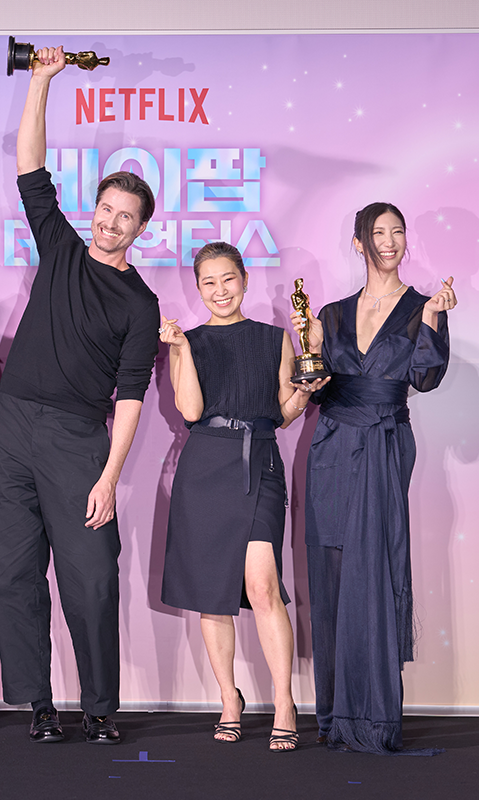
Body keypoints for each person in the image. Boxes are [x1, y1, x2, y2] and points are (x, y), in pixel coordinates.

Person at [0, 46, 161, 745]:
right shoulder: (60, 247)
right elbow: (30, 166)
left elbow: (131, 396)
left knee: (90, 580)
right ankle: (37, 705)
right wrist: (41, 81)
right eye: (106, 210)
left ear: (141, 229)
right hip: (12, 427)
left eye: (125, 218)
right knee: (12, 574)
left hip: (78, 441)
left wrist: (110, 475)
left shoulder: (140, 303)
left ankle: (99, 707)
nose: (111, 223)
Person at [292, 202, 456, 755]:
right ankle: (335, 716)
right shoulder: (331, 314)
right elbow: (315, 385)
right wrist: (309, 361)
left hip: (384, 444)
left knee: (376, 570)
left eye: (397, 231)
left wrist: (434, 320)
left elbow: (425, 379)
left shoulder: (421, 306)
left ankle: (375, 719)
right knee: (333, 571)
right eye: (377, 232)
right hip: (332, 446)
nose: (389, 240)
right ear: (358, 243)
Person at [160, 242, 328, 752]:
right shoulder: (186, 341)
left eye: (228, 279)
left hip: (259, 463)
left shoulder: (274, 337)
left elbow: (283, 412)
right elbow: (191, 411)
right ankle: (229, 699)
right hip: (204, 467)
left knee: (262, 585)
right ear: (197, 287)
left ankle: (283, 702)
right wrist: (181, 350)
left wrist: (306, 390)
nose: (219, 290)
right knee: (213, 594)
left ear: (245, 280)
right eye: (208, 282)